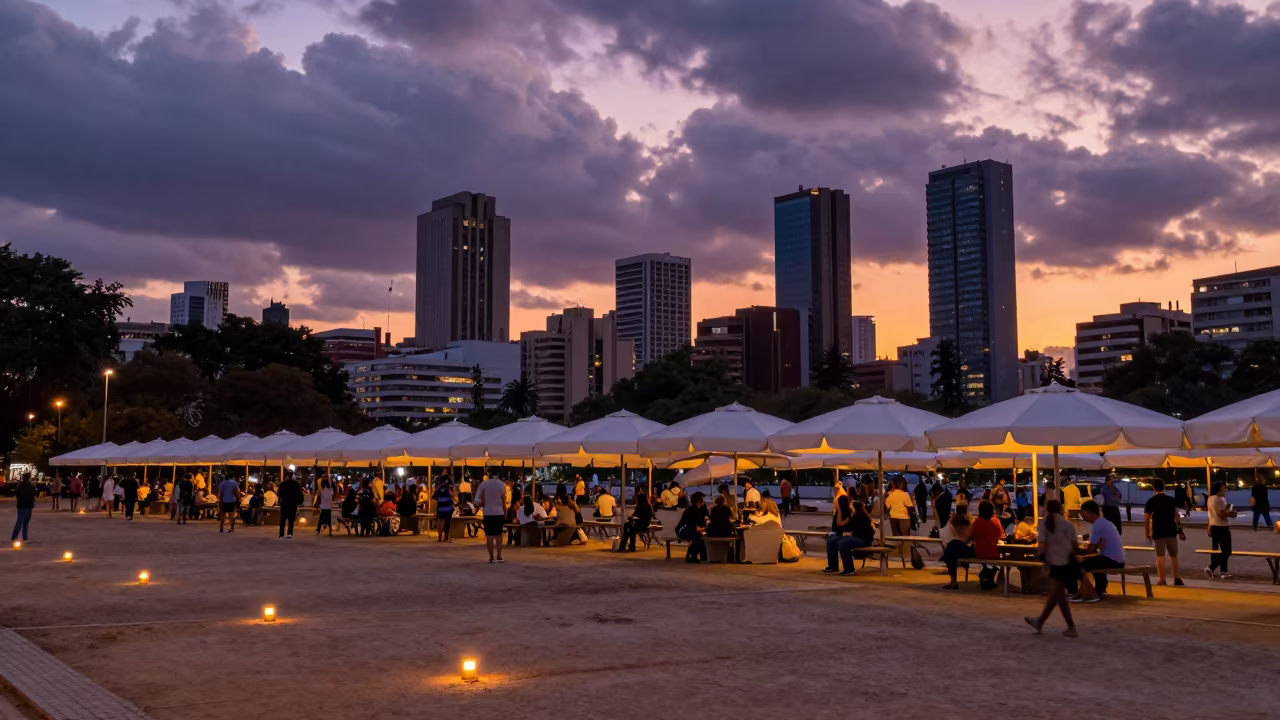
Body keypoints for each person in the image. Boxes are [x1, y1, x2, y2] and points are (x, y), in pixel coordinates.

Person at [1024, 499, 1078, 637]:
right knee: (1057, 596)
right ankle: (1040, 622)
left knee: (1058, 597)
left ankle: (1070, 627)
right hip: (1066, 563)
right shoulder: (1068, 524)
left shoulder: (1045, 524)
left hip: (1054, 563)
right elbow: (1075, 546)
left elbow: (1042, 544)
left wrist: (1038, 556)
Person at [1071, 500, 1125, 602]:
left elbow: (1091, 549)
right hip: (1118, 560)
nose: (1081, 515)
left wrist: (1075, 551)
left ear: (1086, 512)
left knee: (1077, 564)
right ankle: (1100, 590)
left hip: (1112, 561)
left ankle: (1087, 593)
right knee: (1094, 561)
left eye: (1081, 512)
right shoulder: (1103, 522)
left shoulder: (1096, 525)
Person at [1144, 478, 1184, 586]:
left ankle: (1162, 579)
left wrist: (1147, 532)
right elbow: (1177, 515)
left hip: (1158, 531)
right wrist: (1180, 529)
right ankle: (1177, 578)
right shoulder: (1171, 500)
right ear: (1164, 487)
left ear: (1154, 488)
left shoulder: (1151, 501)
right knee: (1174, 555)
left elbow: (1147, 518)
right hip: (1171, 530)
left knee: (1160, 555)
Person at [824, 496, 873, 576]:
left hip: (862, 539)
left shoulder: (861, 517)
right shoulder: (854, 516)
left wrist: (848, 534)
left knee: (843, 543)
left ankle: (849, 569)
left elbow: (858, 532)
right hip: (854, 537)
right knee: (832, 540)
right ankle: (833, 566)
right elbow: (844, 527)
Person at [475, 470, 508, 563]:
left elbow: (477, 499)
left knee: (489, 536)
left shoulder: (483, 484)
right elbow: (503, 500)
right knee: (499, 535)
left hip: (488, 512)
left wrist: (482, 502)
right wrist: (505, 511)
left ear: (488, 474)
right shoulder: (502, 484)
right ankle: (499, 556)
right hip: (499, 512)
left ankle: (491, 557)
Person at [1205, 481, 1236, 579]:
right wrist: (1233, 513)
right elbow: (1222, 515)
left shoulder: (1210, 499)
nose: (1225, 490)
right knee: (1227, 551)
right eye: (1223, 488)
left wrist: (1209, 526)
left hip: (1214, 526)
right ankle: (1212, 567)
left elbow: (1211, 515)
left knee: (1216, 550)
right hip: (1222, 527)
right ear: (1219, 489)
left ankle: (1223, 571)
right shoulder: (1220, 499)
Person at [940, 512, 974, 590]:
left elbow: (969, 539)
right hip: (967, 549)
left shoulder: (973, 525)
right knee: (952, 548)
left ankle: (953, 582)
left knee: (952, 547)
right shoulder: (955, 528)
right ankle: (953, 582)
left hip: (972, 549)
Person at [677, 492, 711, 562]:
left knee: (701, 536)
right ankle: (691, 556)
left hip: (697, 529)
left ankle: (704, 556)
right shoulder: (690, 510)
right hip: (684, 529)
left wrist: (706, 524)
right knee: (696, 536)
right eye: (701, 500)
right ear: (697, 501)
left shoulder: (703, 509)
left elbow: (706, 519)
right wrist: (699, 528)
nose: (703, 502)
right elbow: (688, 523)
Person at [277, 471, 304, 539]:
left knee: (283, 519)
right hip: (293, 504)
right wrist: (298, 502)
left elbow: (279, 494)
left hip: (284, 503)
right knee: (291, 519)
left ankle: (281, 534)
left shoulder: (282, 484)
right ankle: (290, 533)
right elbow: (299, 494)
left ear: (286, 476)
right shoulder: (296, 484)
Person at [10, 474, 35, 543]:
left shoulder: (19, 486)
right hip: (28, 505)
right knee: (24, 522)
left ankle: (15, 537)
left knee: (20, 522)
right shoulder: (30, 486)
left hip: (22, 505)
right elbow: (33, 493)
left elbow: (17, 494)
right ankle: (23, 537)